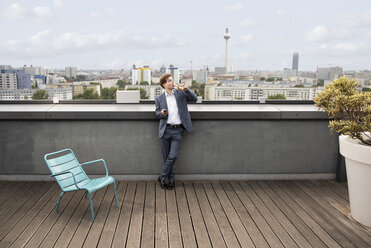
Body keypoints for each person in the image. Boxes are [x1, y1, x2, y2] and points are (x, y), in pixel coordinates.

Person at [155, 73, 198, 190]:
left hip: (178, 131)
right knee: (166, 158)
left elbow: (195, 99)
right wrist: (162, 113)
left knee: (172, 157)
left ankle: (162, 177)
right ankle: (171, 179)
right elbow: (157, 113)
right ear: (164, 84)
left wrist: (186, 89)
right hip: (165, 131)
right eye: (169, 81)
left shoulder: (180, 93)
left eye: (173, 80)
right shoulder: (159, 98)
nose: (173, 82)